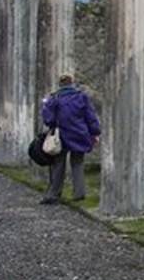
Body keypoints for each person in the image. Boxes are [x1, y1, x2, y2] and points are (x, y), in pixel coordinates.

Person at [39, 73, 100, 205]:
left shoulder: (55, 98)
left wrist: (45, 105)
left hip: (61, 136)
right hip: (80, 134)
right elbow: (91, 117)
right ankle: (79, 193)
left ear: (60, 84)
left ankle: (54, 194)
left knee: (58, 165)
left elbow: (48, 120)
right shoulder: (82, 97)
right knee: (77, 163)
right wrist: (95, 133)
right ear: (72, 83)